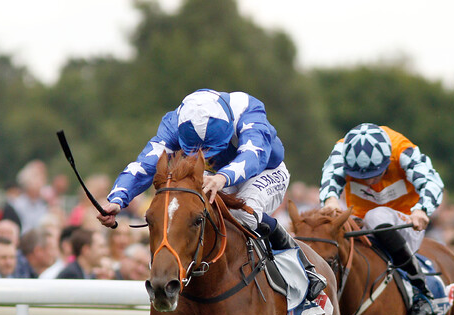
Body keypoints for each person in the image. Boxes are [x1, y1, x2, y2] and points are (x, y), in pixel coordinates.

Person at [97, 88, 325, 301]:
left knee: (246, 214)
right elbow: (144, 165)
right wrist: (117, 199)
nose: (207, 155)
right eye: (199, 149)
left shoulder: (248, 111)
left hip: (263, 171)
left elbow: (253, 155)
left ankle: (304, 267)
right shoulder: (176, 121)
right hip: (215, 176)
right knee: (190, 210)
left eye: (211, 148)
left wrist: (222, 178)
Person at [319, 123, 445, 315]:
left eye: (374, 175)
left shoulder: (402, 150)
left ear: (387, 160)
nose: (368, 182)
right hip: (362, 222)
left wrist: (422, 209)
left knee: (377, 216)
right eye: (362, 177)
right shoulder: (342, 150)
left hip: (404, 223)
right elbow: (329, 179)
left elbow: (432, 181)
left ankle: (420, 286)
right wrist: (330, 199)